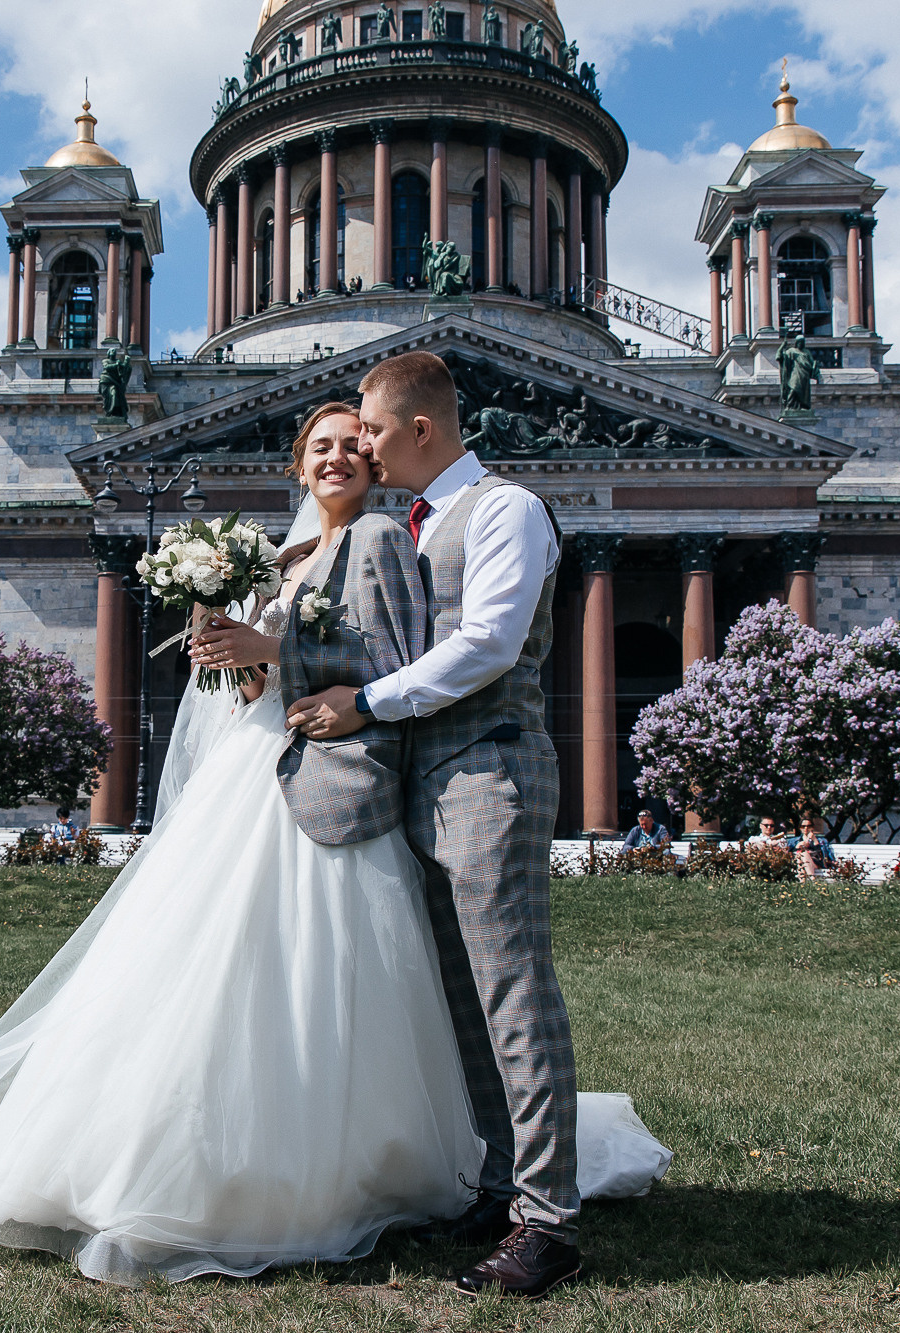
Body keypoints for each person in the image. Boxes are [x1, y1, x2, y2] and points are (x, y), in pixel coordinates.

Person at [0, 395, 669, 1293]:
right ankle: (485, 1180)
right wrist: (245, 657)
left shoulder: (430, 525)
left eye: (358, 438)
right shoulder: (297, 552)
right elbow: (297, 676)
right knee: (274, 980)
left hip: (408, 777)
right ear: (296, 466)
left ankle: (537, 1212)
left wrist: (284, 656)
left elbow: (412, 652)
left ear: (400, 438)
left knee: (450, 988)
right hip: (283, 777)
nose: (345, 452)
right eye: (324, 444)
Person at [291, 351, 602, 1296]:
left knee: (513, 991)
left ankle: (547, 1222)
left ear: (420, 429)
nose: (366, 448)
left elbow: (488, 645)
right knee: (463, 997)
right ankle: (503, 1180)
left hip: (492, 769)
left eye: (375, 432)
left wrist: (370, 704)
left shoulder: (506, 509)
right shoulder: (407, 530)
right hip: (424, 781)